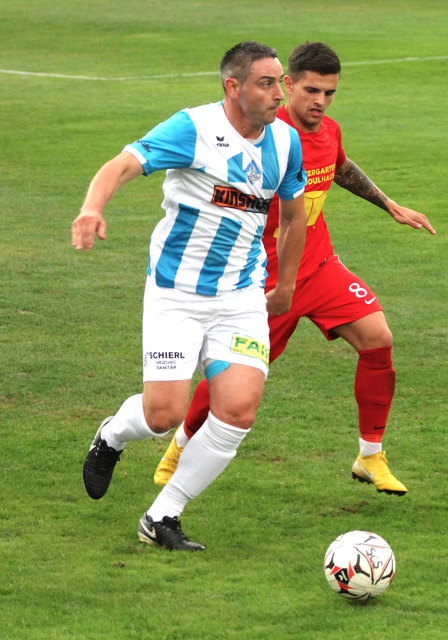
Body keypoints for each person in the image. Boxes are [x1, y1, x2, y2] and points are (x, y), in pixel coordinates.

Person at [154, 42, 436, 496]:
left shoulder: (329, 130)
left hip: (321, 267)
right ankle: (181, 445)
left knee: (379, 340)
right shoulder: (271, 136)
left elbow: (339, 167)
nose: (320, 102)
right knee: (231, 376)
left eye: (329, 93)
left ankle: (370, 455)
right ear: (287, 85)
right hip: (266, 280)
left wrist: (389, 204)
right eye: (311, 90)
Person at [71, 41, 307, 551]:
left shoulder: (287, 143)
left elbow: (293, 216)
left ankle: (163, 516)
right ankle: (113, 433)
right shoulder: (193, 128)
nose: (278, 93)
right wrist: (92, 208)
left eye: (281, 82)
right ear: (233, 87)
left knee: (239, 410)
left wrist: (285, 284)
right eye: (267, 83)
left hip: (241, 296)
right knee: (163, 417)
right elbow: (122, 165)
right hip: (175, 293)